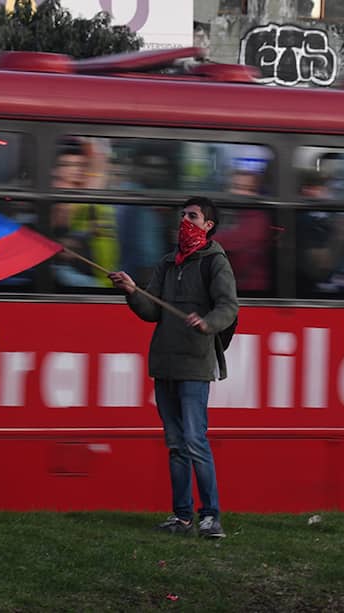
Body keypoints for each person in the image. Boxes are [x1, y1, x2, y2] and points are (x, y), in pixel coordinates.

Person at [108, 196, 238, 539]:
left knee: (195, 441)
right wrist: (132, 291)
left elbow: (229, 307)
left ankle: (210, 517)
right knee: (176, 444)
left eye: (192, 216)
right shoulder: (168, 263)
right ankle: (181, 517)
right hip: (165, 363)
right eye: (183, 215)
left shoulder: (216, 262)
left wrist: (208, 323)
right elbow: (152, 311)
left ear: (208, 225)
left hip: (195, 365)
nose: (184, 221)